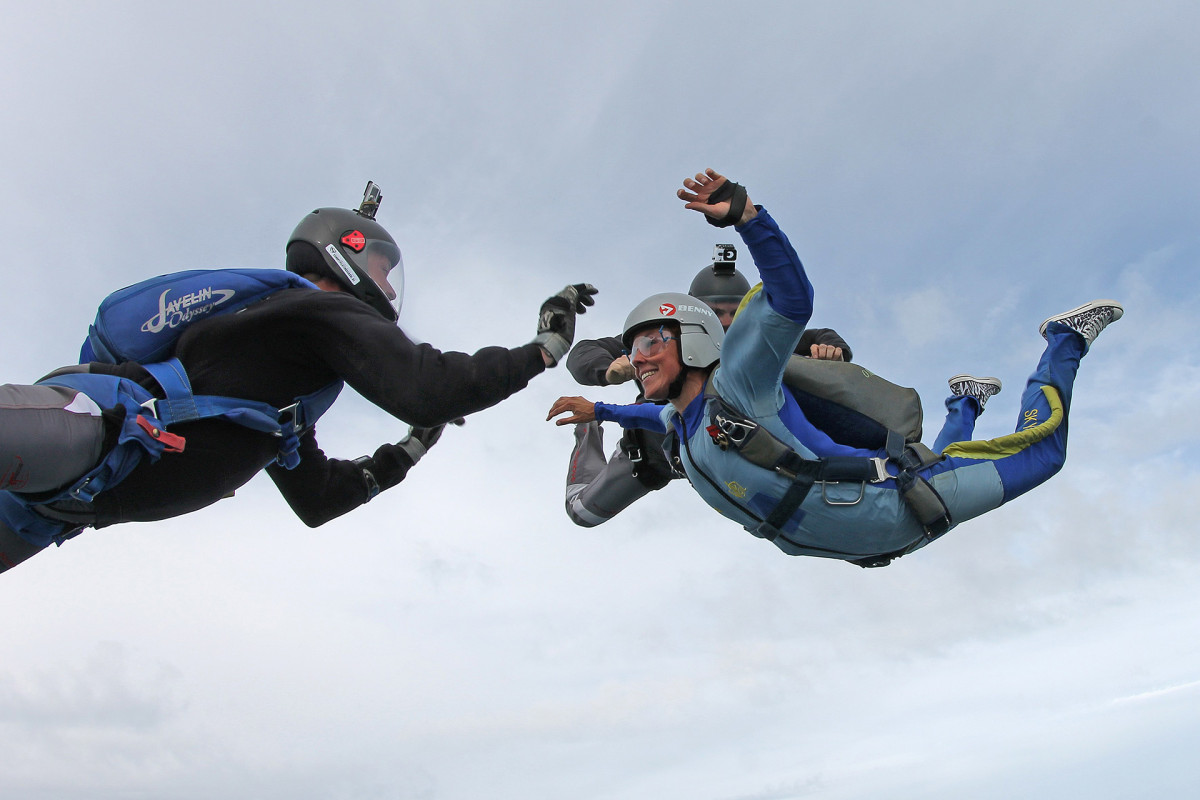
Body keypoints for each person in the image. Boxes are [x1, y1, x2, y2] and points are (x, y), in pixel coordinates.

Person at [0, 182, 597, 573]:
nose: (391, 288)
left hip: (51, 509)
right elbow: (429, 384)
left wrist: (410, 448)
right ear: (347, 255)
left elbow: (318, 500)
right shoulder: (314, 310)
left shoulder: (285, 407)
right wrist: (544, 347)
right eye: (384, 270)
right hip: (87, 431)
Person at [548, 168, 1122, 567]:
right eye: (636, 346)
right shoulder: (684, 425)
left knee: (1045, 455)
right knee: (943, 459)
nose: (643, 356)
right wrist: (594, 406)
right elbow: (645, 415)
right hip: (882, 536)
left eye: (654, 341)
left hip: (898, 502)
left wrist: (749, 218)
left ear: (695, 338)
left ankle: (1064, 341)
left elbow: (792, 301)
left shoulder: (740, 380)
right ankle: (966, 401)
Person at [561, 251, 852, 528]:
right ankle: (588, 429)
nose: (725, 322)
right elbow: (583, 353)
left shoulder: (755, 340)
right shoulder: (660, 340)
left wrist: (832, 352)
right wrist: (608, 369)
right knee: (582, 512)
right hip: (655, 454)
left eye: (734, 313)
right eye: (715, 312)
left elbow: (820, 335)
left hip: (732, 451)